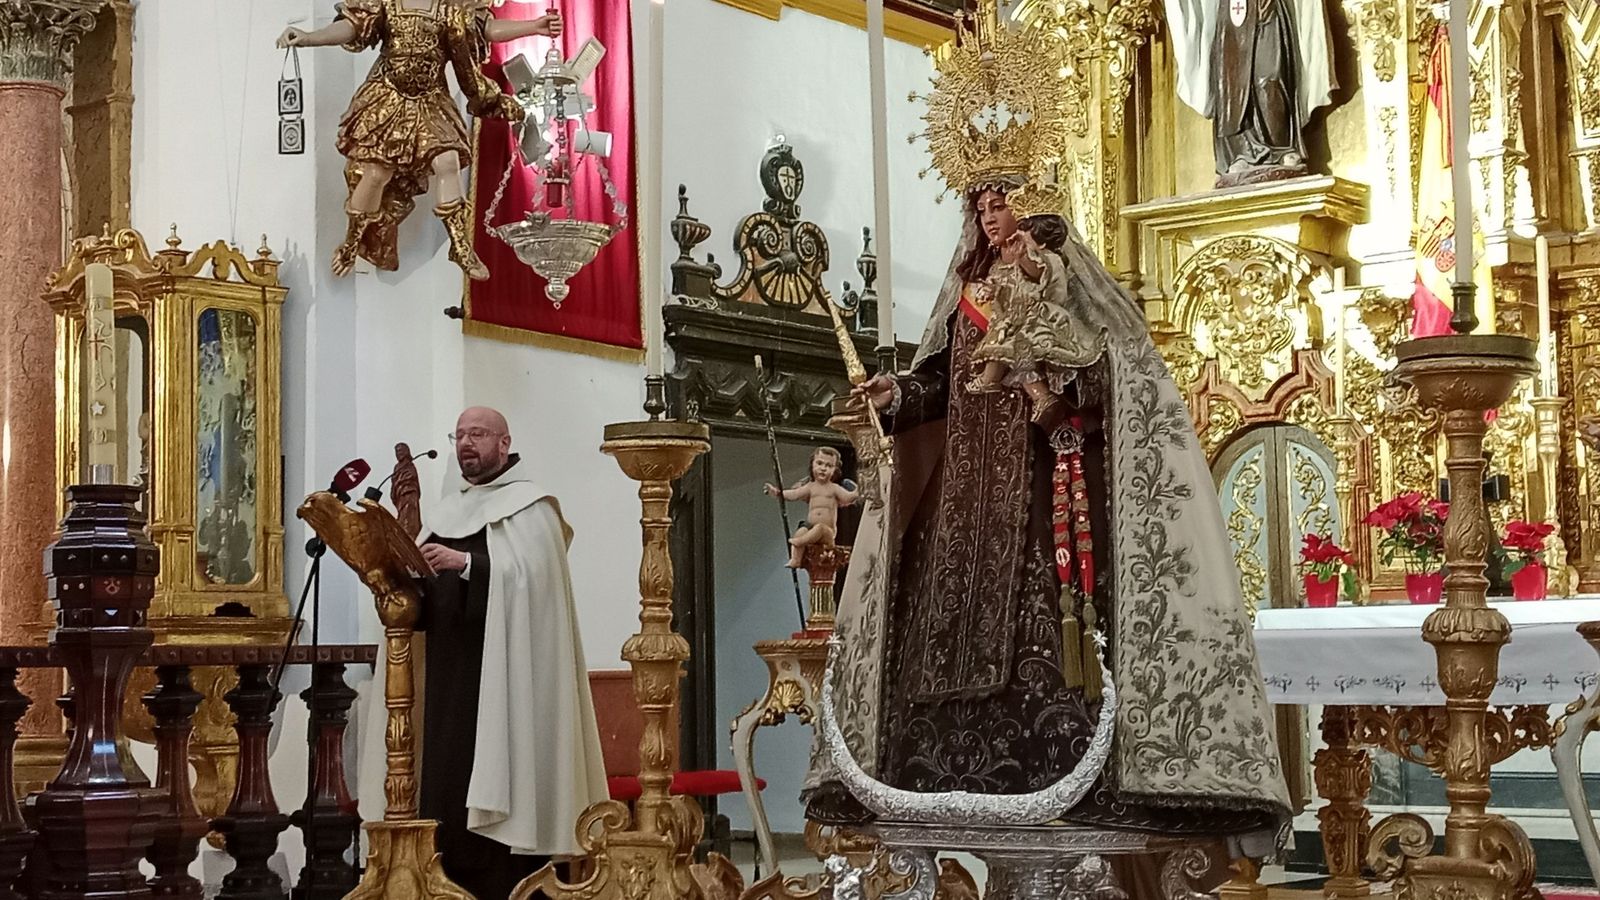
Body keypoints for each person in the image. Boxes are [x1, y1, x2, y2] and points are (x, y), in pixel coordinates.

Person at [809, 183, 1291, 862]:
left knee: (1054, 627)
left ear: (1027, 206)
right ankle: (933, 781)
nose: (986, 215)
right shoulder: (968, 294)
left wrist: (1053, 372)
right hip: (963, 506)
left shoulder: (1060, 281)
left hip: (1041, 493)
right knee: (937, 622)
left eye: (998, 203)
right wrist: (896, 392)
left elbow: (1111, 372)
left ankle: (1079, 786)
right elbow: (940, 383)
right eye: (978, 207)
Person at [411, 406, 608, 899]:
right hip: (447, 675)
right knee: (446, 791)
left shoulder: (532, 507)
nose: (465, 444)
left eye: (477, 434)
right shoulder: (443, 511)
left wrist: (468, 563)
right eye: (458, 435)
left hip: (507, 676)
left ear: (504, 443)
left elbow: (535, 584)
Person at [276, 1, 563, 280]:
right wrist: (308, 38)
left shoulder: (451, 7)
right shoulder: (385, 2)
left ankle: (460, 246)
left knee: (448, 160)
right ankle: (352, 241)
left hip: (430, 97)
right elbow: (353, 26)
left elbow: (485, 27)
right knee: (376, 172)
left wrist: (534, 27)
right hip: (387, 95)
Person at [1163, 0, 1335, 187]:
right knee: (1233, 86)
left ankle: (1280, 147)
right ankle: (1242, 153)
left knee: (1271, 78)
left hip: (1270, 8)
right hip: (1233, 14)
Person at [765, 446, 860, 568]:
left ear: (834, 470)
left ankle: (801, 541)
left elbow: (847, 498)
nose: (823, 469)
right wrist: (777, 493)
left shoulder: (834, 488)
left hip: (827, 532)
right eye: (819, 463)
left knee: (819, 528)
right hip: (810, 527)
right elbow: (794, 494)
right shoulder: (810, 487)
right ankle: (796, 559)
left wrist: (857, 491)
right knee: (800, 532)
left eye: (829, 466)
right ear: (812, 465)